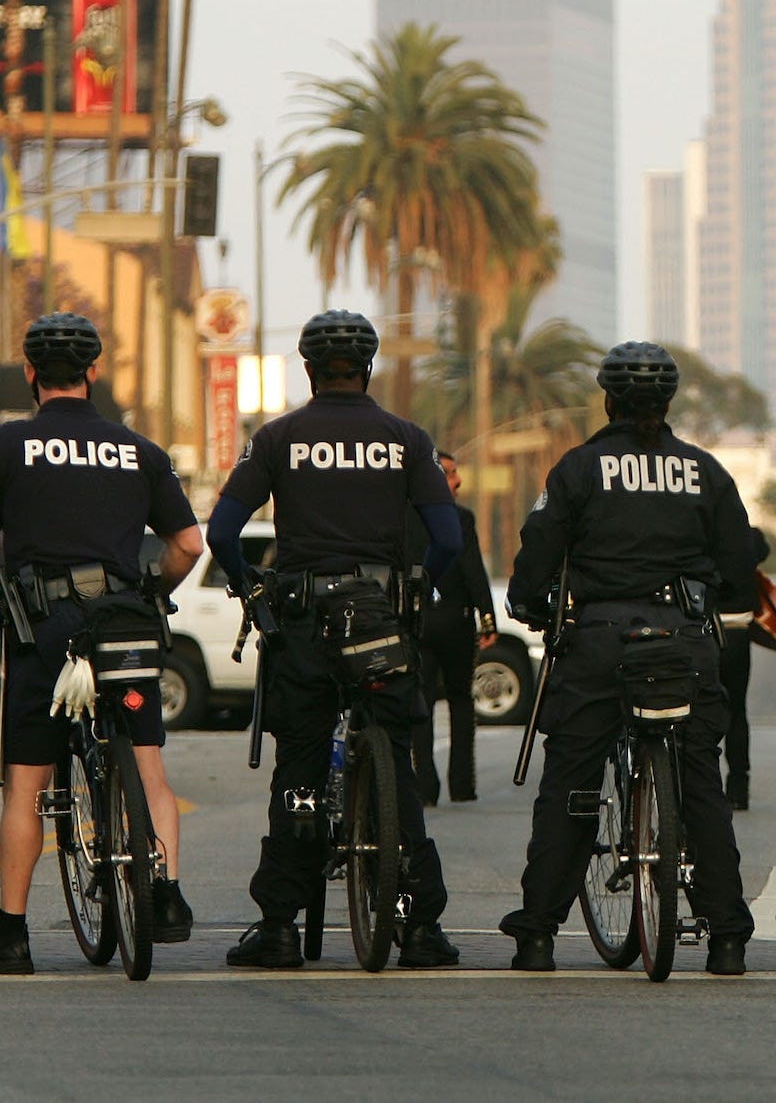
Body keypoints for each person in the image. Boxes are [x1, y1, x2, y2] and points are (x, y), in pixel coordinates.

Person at [207, 309, 463, 970]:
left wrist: (248, 585)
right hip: (379, 617)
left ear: (310, 368)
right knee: (397, 761)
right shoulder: (405, 438)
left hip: (303, 622)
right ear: (368, 367)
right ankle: (419, 926)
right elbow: (448, 539)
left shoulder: (279, 437)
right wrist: (416, 591)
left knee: (298, 765)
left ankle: (281, 927)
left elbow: (222, 533)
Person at [500, 342, 756, 975]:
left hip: (598, 638)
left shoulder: (579, 469)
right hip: (684, 640)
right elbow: (741, 573)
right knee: (701, 785)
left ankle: (536, 936)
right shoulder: (705, 471)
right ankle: (725, 938)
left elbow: (538, 550)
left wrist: (530, 602)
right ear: (668, 403)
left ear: (607, 401)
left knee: (573, 784)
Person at [0, 313, 205, 975]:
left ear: (31, 373)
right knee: (148, 764)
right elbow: (188, 544)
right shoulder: (137, 450)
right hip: (123, 623)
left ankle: (11, 936)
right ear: (93, 373)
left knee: (27, 785)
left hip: (42, 627)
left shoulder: (11, 446)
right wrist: (151, 588)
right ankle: (166, 892)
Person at [409, 451, 497, 807]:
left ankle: (424, 788)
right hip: (455, 622)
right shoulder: (459, 519)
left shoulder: (402, 518)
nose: (458, 481)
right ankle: (462, 785)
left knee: (422, 704)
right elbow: (473, 570)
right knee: (460, 702)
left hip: (416, 621)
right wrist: (486, 618)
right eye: (449, 474)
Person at [718, 526, 770, 810]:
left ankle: (703, 788)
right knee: (737, 710)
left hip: (701, 630)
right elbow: (762, 550)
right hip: (737, 630)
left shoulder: (695, 529)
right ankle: (739, 786)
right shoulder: (746, 537)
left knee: (700, 713)